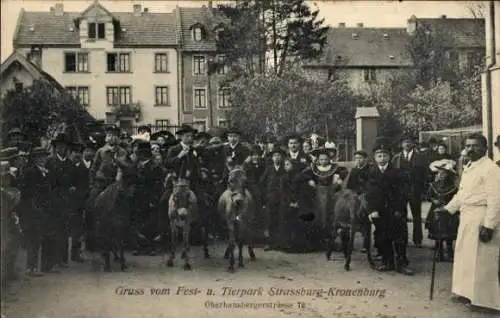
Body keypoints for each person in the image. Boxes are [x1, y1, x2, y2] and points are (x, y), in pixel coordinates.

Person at [436, 133, 500, 312]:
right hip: (467, 216)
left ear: (485, 148)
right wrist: (448, 209)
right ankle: (466, 292)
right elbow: (462, 194)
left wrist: (489, 226)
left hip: (482, 216)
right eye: (468, 146)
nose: (470, 149)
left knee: (482, 259)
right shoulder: (470, 167)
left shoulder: (490, 169)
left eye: (475, 146)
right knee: (466, 256)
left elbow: (496, 199)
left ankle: (486, 302)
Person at [366, 138, 414, 275]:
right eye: (379, 156)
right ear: (375, 158)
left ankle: (402, 263)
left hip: (395, 211)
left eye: (385, 155)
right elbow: (369, 195)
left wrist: (399, 209)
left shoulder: (398, 173)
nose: (382, 159)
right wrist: (372, 210)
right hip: (379, 212)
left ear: (390, 157)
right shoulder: (371, 173)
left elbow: (402, 193)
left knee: (399, 236)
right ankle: (387, 262)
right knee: (382, 236)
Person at [45, 133, 77, 270]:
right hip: (53, 201)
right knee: (53, 231)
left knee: (65, 231)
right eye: (59, 146)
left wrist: (73, 188)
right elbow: (46, 182)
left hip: (67, 202)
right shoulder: (49, 161)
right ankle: (52, 260)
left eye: (64, 146)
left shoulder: (70, 164)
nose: (62, 148)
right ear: (55, 147)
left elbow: (74, 181)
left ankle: (63, 259)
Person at [18, 147, 51, 276]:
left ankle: (34, 267)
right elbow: (26, 192)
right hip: (33, 209)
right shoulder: (30, 172)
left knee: (38, 239)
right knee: (33, 239)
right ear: (35, 159)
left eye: (44, 157)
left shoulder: (46, 172)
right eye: (40, 157)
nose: (43, 159)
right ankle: (30, 267)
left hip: (42, 209)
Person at [391, 134, 428, 248]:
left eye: (409, 142)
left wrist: (422, 191)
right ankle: (403, 238)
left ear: (413, 144)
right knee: (401, 216)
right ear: (401, 145)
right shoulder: (396, 158)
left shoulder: (420, 157)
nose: (407, 144)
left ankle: (417, 239)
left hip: (415, 191)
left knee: (416, 215)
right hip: (400, 191)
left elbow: (425, 175)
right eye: (405, 142)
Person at [424, 159, 459, 262]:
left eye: (443, 173)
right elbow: (428, 196)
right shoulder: (433, 185)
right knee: (436, 230)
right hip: (436, 210)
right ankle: (439, 252)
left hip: (448, 210)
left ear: (448, 175)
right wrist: (434, 200)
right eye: (439, 172)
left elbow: (455, 197)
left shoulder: (453, 187)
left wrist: (449, 205)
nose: (441, 175)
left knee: (449, 231)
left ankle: (449, 250)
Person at [259, 148, 286, 251]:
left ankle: (280, 243)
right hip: (270, 199)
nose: (276, 157)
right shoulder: (269, 169)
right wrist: (265, 196)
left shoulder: (285, 168)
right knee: (271, 221)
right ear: (272, 158)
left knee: (281, 220)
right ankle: (270, 243)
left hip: (282, 199)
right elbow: (261, 183)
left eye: (278, 155)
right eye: (274, 156)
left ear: (282, 157)